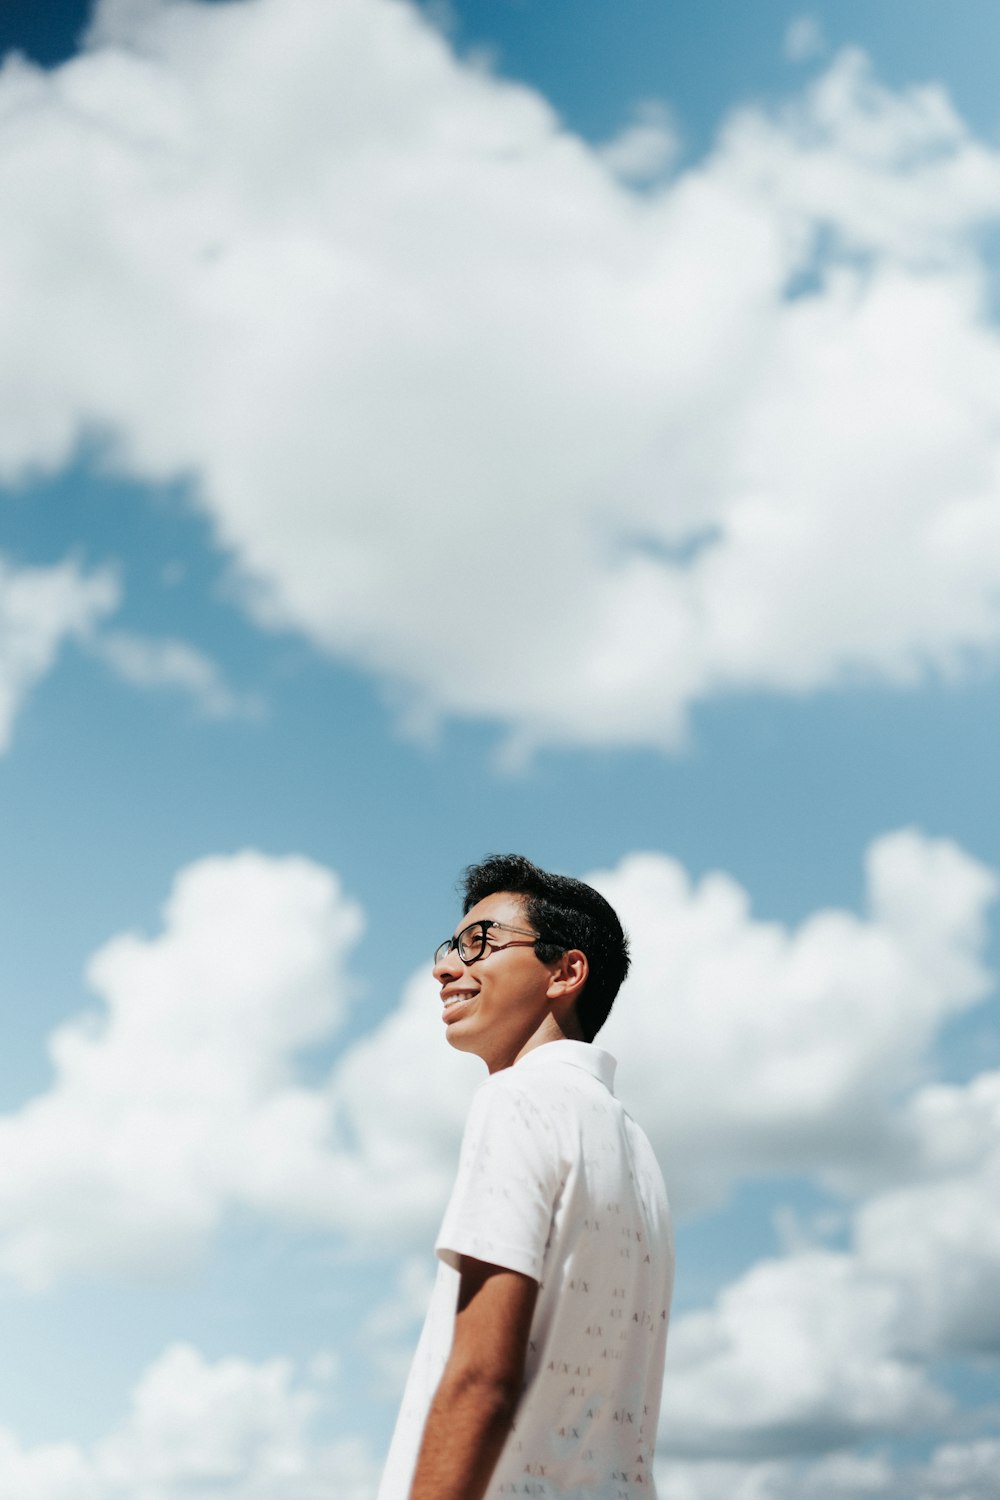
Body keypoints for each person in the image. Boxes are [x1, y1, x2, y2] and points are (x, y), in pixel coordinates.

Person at [377, 853, 674, 1500]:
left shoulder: (519, 1100)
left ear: (566, 971)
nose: (445, 966)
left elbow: (482, 1377)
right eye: (450, 946)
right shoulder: (638, 1153)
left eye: (479, 943)